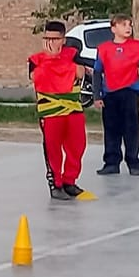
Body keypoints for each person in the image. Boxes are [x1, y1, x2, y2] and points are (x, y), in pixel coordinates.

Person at [28, 21, 91, 202]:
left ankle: (69, 181)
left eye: (55, 39)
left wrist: (59, 63)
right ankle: (55, 184)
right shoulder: (36, 59)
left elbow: (80, 73)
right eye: (47, 38)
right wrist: (52, 59)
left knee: (77, 146)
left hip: (73, 108)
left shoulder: (73, 54)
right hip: (50, 110)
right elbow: (36, 77)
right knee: (53, 149)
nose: (50, 42)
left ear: (63, 40)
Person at [94, 14, 139, 176]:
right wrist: (97, 96)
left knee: (131, 128)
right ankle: (111, 162)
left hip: (129, 91)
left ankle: (133, 162)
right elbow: (97, 71)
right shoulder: (104, 48)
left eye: (129, 25)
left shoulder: (136, 45)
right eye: (123, 25)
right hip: (110, 92)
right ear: (113, 28)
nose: (128, 28)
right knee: (111, 129)